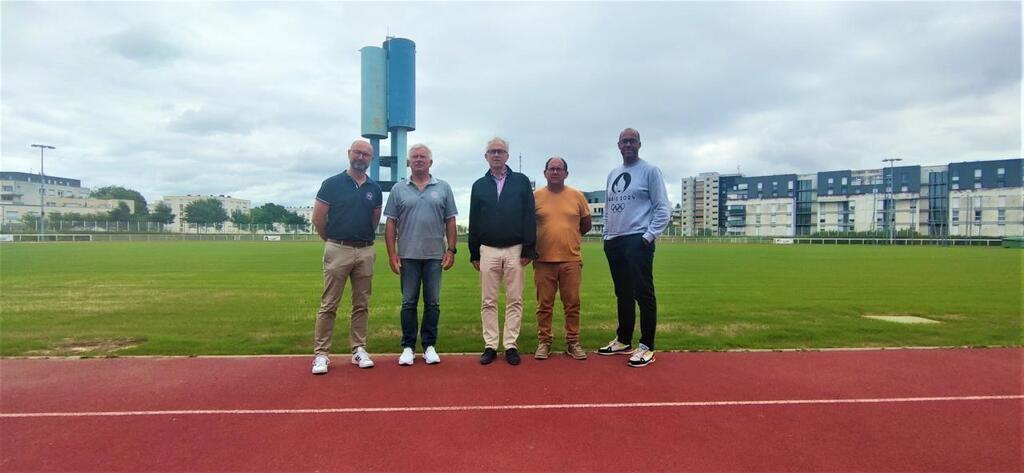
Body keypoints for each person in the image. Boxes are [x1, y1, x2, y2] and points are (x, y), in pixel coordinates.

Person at [598, 128, 671, 368]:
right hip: (615, 240)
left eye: (632, 141)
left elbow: (662, 208)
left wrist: (648, 237)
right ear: (618, 145)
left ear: (639, 144)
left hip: (638, 239)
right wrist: (606, 236)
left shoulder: (650, 171)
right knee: (623, 293)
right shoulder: (613, 174)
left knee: (643, 294)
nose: (628, 144)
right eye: (624, 141)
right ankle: (623, 340)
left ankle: (647, 346)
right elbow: (608, 207)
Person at [310, 140, 383, 375]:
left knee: (361, 303)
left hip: (365, 250)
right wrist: (332, 241)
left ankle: (359, 349)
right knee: (329, 303)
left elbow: (374, 220)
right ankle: (321, 354)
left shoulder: (374, 188)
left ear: (371, 159)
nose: (361, 157)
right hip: (337, 248)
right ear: (349, 154)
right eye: (358, 152)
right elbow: (318, 219)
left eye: (366, 154)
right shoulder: (331, 184)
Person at [383, 144, 458, 366]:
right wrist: (391, 254)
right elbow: (390, 222)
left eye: (422, 156)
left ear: (430, 162)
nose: (418, 159)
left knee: (433, 303)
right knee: (408, 303)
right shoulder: (398, 189)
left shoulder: (443, 187)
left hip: (435, 256)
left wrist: (451, 250)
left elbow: (451, 220)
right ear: (409, 162)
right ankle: (407, 346)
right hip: (408, 256)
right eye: (414, 156)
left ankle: (429, 346)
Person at [468, 137, 537, 366]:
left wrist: (529, 247)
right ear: (486, 156)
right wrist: (474, 252)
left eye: (500, 151)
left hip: (515, 250)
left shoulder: (521, 181)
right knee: (488, 300)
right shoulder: (479, 185)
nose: (496, 155)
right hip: (487, 249)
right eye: (492, 151)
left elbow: (529, 215)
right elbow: (474, 219)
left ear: (507, 155)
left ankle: (510, 345)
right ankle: (490, 345)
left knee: (514, 299)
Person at [532, 157, 592, 361]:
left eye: (559, 169)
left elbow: (586, 224)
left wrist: (569, 237)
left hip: (570, 260)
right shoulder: (535, 197)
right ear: (545, 172)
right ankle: (544, 342)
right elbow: (528, 226)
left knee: (572, 304)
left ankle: (573, 342)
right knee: (544, 305)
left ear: (566, 173)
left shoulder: (577, 196)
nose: (555, 172)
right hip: (543, 260)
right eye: (551, 169)